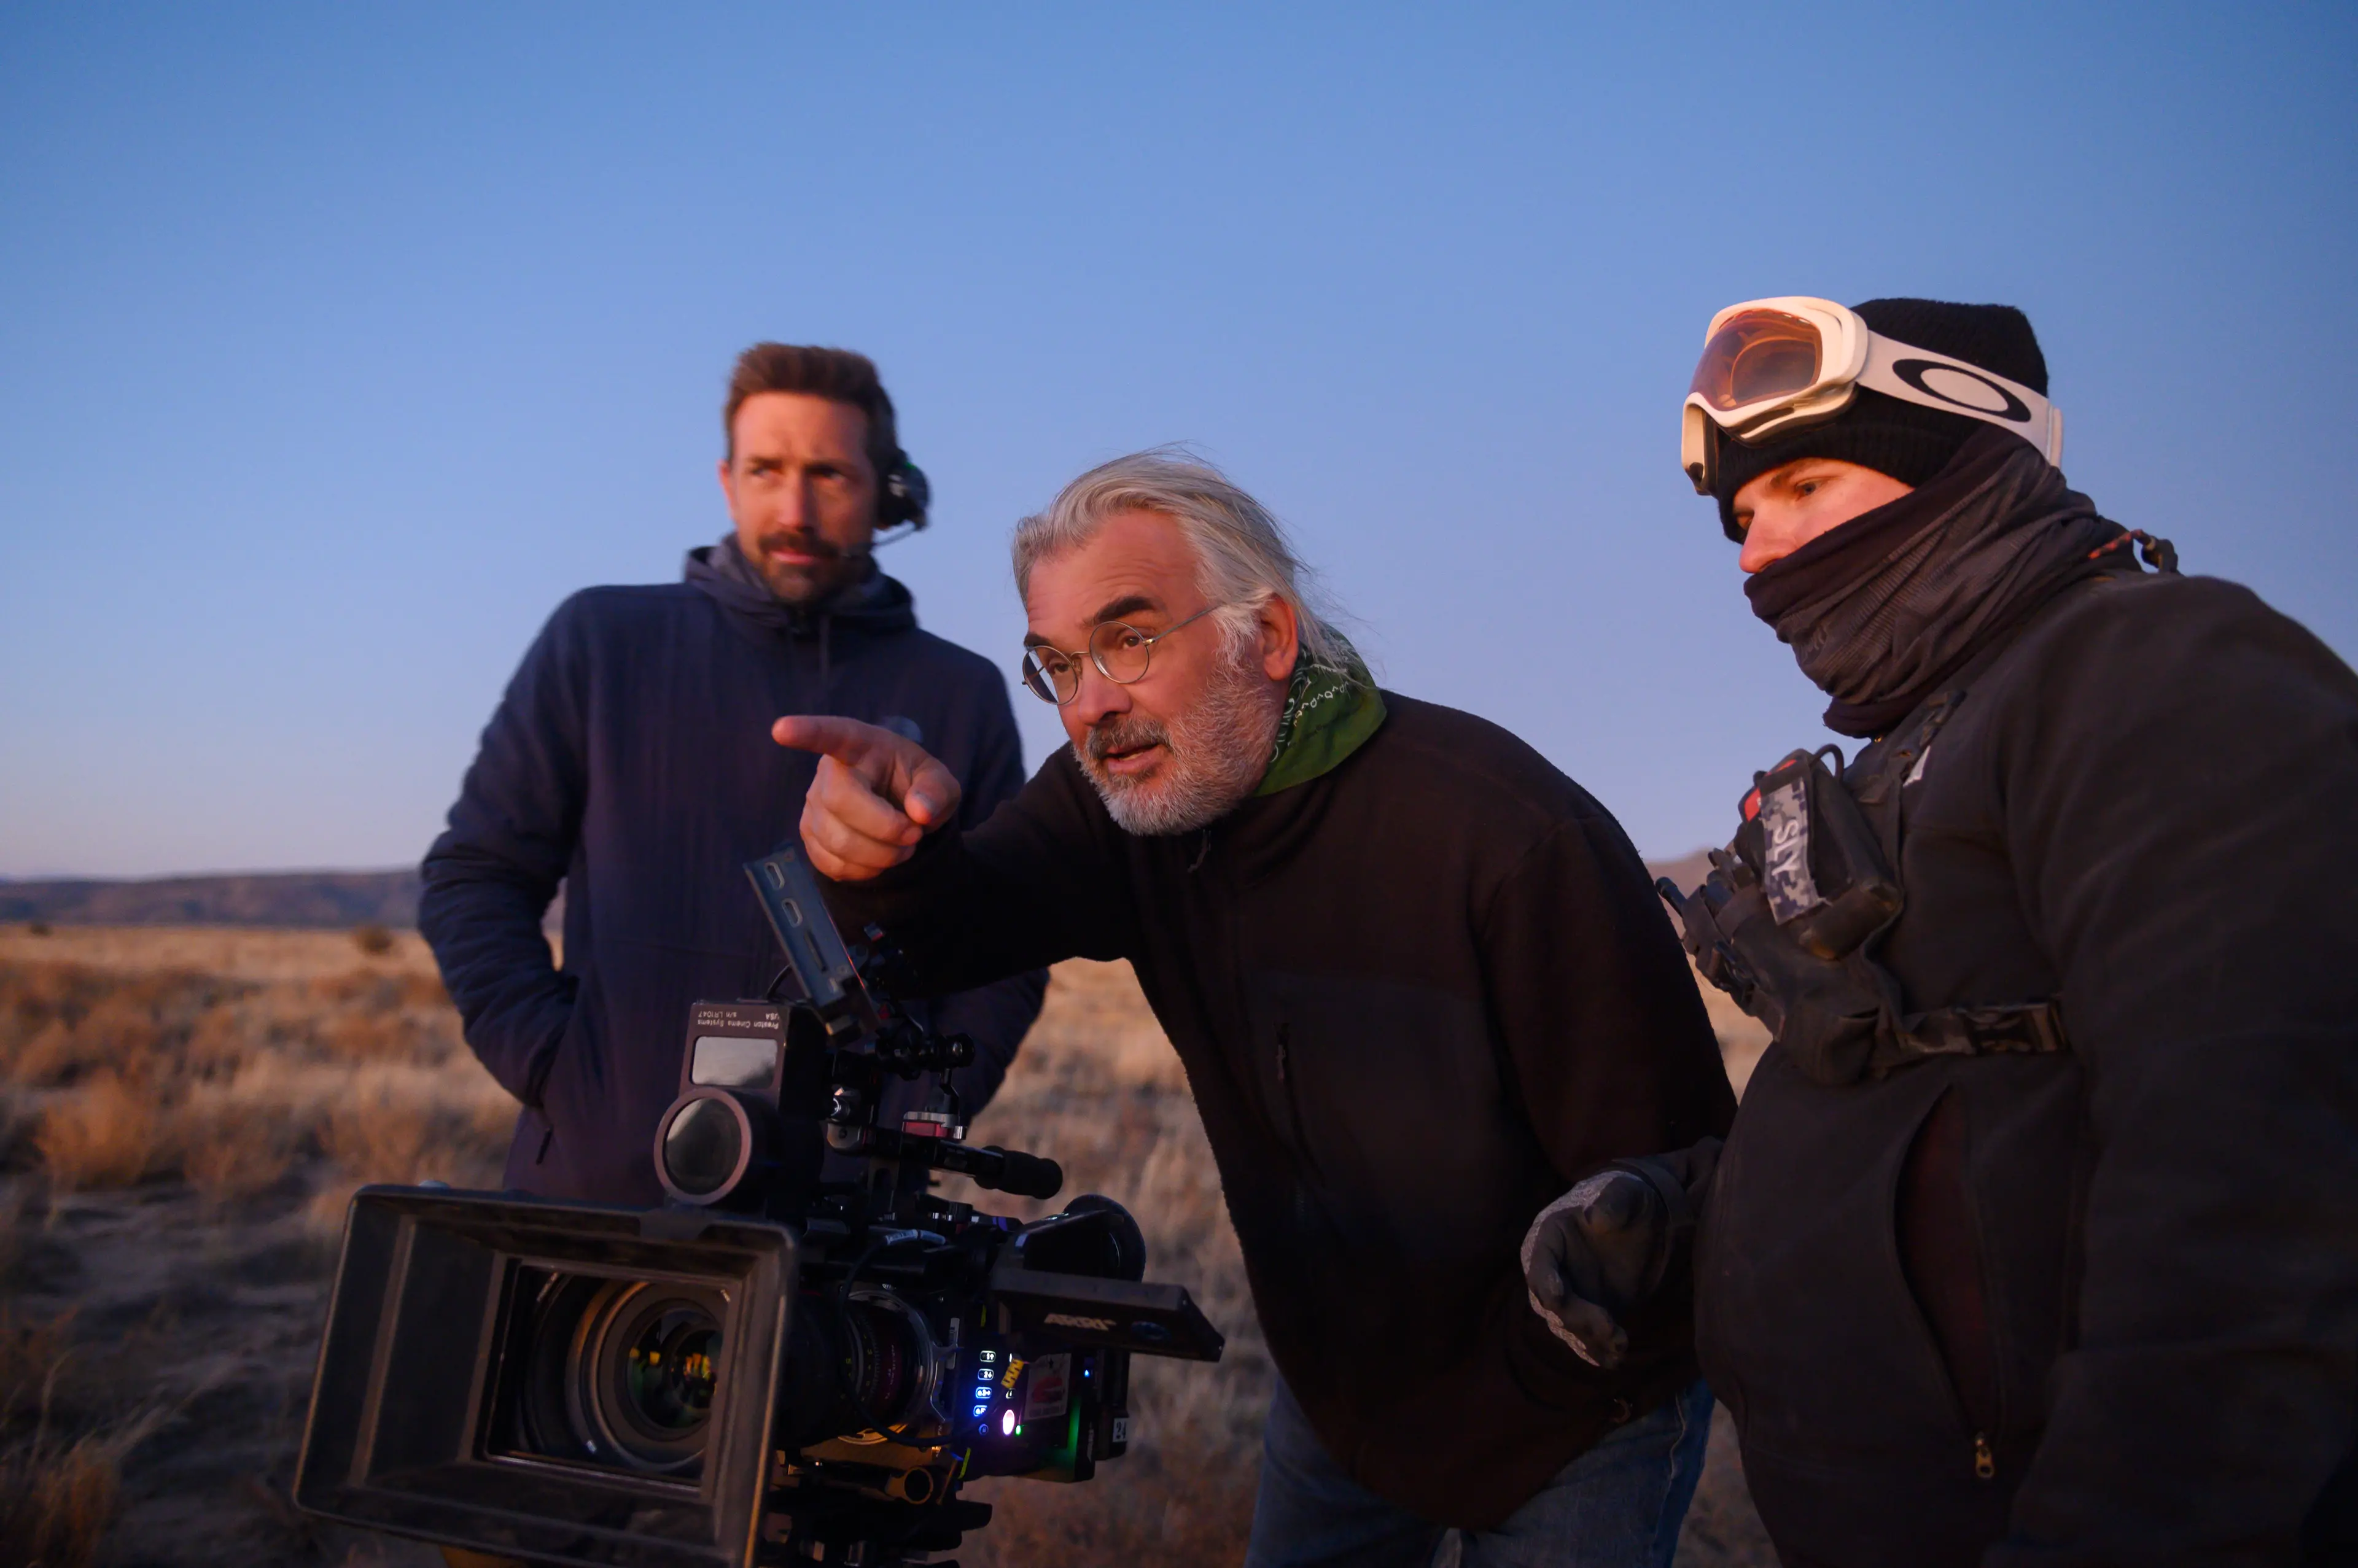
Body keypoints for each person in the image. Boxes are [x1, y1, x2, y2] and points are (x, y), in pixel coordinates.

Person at [774, 451, 1735, 1567]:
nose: (1091, 706)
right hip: (1341, 1394)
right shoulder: (1125, 806)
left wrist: (1539, 1378)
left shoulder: (1506, 837)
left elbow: (1669, 1199)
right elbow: (953, 926)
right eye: (1058, 663)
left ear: (1268, 637)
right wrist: (879, 855)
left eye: (1128, 639)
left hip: (1579, 1406)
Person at [1523, 297, 2358, 1565]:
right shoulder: (1916, 749)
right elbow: (1965, 1104)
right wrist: (1691, 1221)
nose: (1760, 554)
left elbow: (2265, 1174)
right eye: (1742, 520)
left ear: (1968, 462)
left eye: (1803, 483)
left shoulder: (2155, 666)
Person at [419, 343, 1045, 1207]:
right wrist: (565, 1070)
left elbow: (1006, 945)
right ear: (726, 482)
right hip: (600, 1196)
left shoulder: (960, 692)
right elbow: (474, 876)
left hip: (849, 1225)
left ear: (888, 489)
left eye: (828, 473)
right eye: (766, 469)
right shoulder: (601, 643)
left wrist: (920, 1105)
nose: (795, 507)